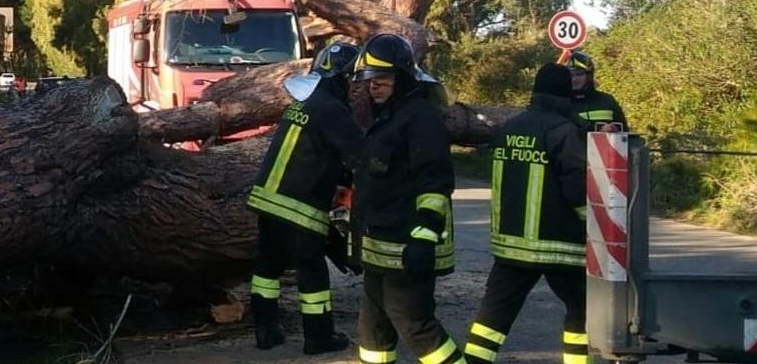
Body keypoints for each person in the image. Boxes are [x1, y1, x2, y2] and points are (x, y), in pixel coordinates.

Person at [462, 63, 589, 364]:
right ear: (565, 93)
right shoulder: (564, 132)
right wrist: (593, 224)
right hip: (558, 246)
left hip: (512, 245)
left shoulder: (509, 128)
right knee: (582, 310)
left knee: (493, 316)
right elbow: (576, 187)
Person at [351, 32, 466, 364]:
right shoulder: (385, 117)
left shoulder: (420, 118)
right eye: (369, 78)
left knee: (414, 325)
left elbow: (435, 181)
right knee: (373, 330)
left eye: (382, 77)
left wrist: (425, 236)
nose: (374, 85)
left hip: (408, 244)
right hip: (380, 245)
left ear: (402, 77)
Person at [247, 40, 364, 353]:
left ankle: (265, 331)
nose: (357, 87)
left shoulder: (304, 103)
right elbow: (361, 156)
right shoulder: (333, 110)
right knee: (312, 270)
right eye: (354, 79)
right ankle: (318, 337)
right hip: (298, 204)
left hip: (267, 198)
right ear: (343, 78)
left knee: (268, 266)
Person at [567, 50, 627, 131]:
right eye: (570, 75)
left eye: (579, 74)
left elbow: (624, 131)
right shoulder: (562, 103)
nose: (574, 79)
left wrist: (614, 129)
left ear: (589, 76)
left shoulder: (607, 101)